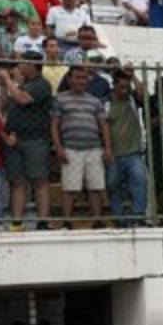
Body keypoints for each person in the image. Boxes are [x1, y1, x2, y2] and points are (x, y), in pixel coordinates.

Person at [0, 54, 54, 230]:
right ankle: (17, 222)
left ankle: (43, 221)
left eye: (24, 62)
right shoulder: (20, 85)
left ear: (34, 65)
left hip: (35, 139)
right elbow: (3, 105)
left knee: (39, 180)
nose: (20, 65)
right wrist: (3, 85)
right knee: (17, 181)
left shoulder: (42, 84)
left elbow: (23, 99)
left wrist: (8, 80)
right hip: (15, 139)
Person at [52, 66, 112, 226]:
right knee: (70, 188)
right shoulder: (60, 99)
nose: (81, 81)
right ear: (70, 79)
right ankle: (67, 220)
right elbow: (55, 125)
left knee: (95, 186)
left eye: (84, 78)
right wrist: (58, 147)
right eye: (77, 77)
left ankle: (97, 219)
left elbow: (103, 125)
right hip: (70, 148)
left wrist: (107, 148)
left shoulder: (95, 101)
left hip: (94, 148)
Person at [105, 73, 147, 226]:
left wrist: (133, 75)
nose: (125, 90)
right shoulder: (107, 103)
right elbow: (104, 126)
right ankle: (118, 219)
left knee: (140, 182)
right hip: (115, 154)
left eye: (127, 87)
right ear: (114, 86)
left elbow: (143, 93)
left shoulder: (133, 100)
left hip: (133, 153)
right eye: (121, 87)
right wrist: (108, 148)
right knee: (113, 186)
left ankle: (139, 216)